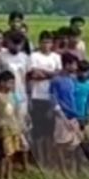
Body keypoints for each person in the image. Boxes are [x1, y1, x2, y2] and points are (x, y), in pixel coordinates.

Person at [27, 31, 62, 167]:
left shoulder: (56, 57)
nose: (46, 45)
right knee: (38, 129)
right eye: (43, 42)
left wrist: (44, 73)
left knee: (50, 130)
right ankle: (39, 158)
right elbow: (33, 74)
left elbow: (58, 74)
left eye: (48, 42)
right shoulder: (34, 56)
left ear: (52, 44)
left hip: (51, 97)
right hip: (37, 96)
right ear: (39, 42)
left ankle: (49, 158)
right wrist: (50, 74)